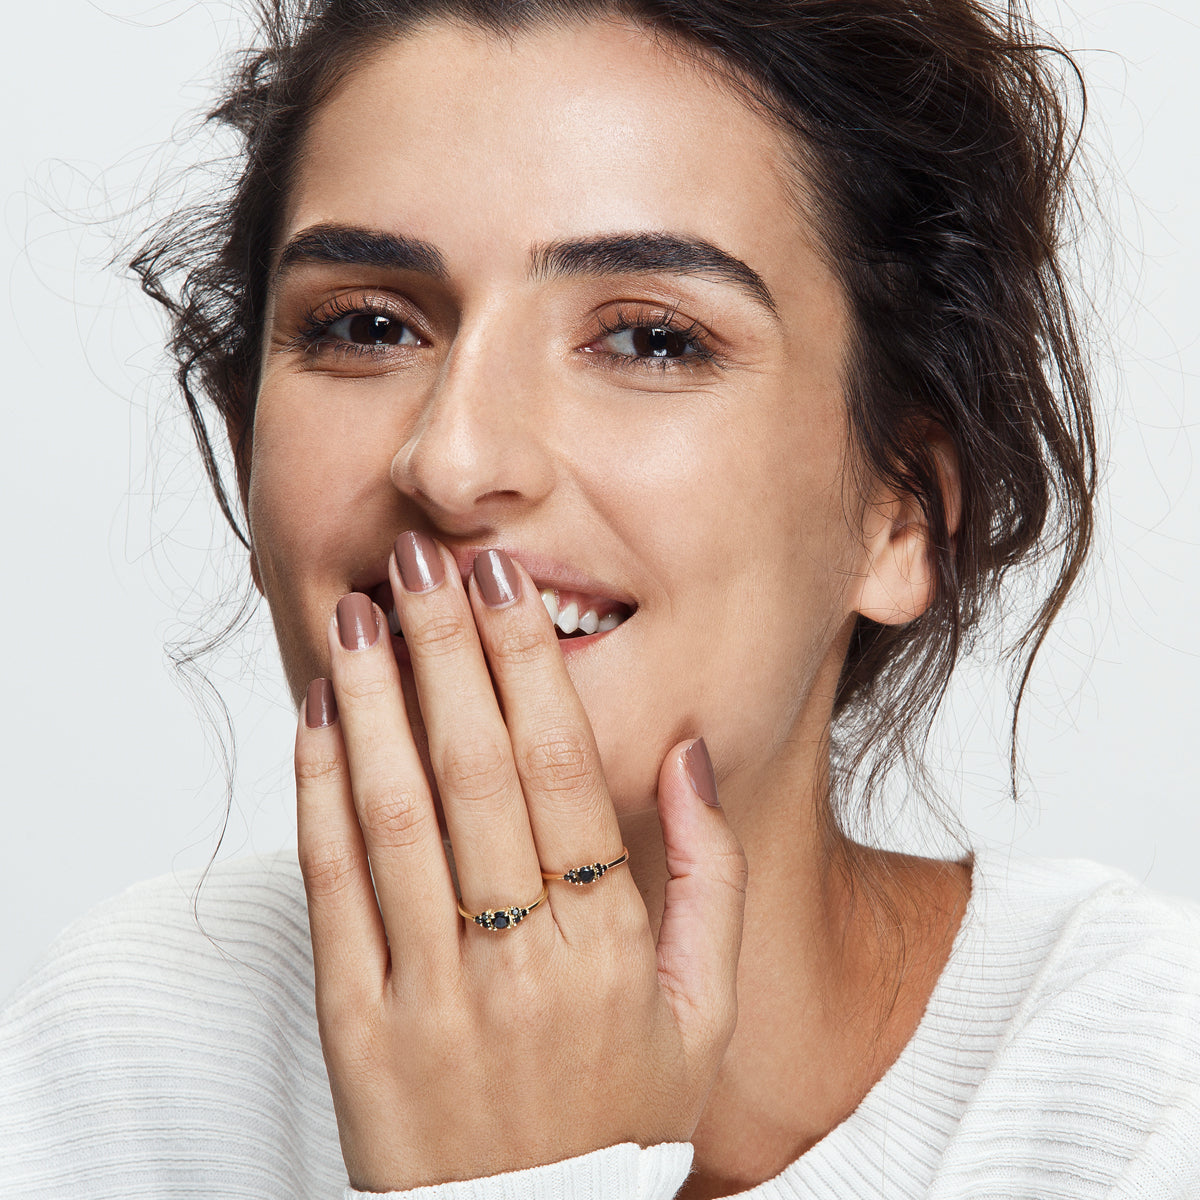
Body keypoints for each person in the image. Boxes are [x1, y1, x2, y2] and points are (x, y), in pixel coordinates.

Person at [2, 0, 1198, 1197]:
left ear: (902, 514)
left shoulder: (1146, 1098)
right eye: (366, 325)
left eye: (650, 342)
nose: (453, 461)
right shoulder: (130, 1051)